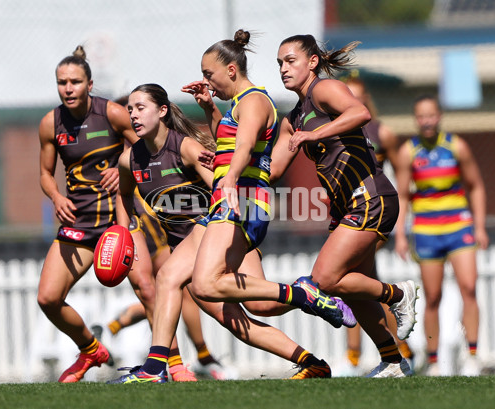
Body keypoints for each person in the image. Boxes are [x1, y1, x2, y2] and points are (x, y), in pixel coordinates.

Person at [108, 30, 352, 384]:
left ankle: (303, 293)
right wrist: (211, 111)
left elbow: (244, 145)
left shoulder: (253, 101)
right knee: (173, 278)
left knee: (207, 287)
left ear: (232, 70)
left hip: (244, 198)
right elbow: (228, 143)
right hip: (234, 198)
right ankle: (155, 368)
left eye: (210, 74)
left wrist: (230, 178)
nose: (207, 80)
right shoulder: (236, 106)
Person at [265, 34, 419, 378]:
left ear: (313, 62)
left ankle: (398, 294)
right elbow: (273, 170)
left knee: (325, 279)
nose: (283, 69)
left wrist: (315, 135)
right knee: (353, 286)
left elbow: (360, 112)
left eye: (290, 61)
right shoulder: (294, 116)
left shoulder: (323, 90)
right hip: (349, 207)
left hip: (372, 197)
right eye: (279, 63)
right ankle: (393, 360)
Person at [95, 96, 238, 380]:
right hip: (154, 236)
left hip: (187, 236)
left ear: (160, 113)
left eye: (139, 110)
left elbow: (216, 182)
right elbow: (124, 188)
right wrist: (123, 231)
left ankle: (192, 355)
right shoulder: (130, 160)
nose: (134, 117)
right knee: (163, 289)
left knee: (232, 305)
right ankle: (175, 363)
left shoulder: (171, 149)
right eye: (130, 112)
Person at [37, 45, 137, 383]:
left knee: (151, 292)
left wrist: (124, 166)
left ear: (89, 84)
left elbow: (147, 146)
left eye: (75, 82)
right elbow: (45, 174)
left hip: (118, 221)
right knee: (48, 298)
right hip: (78, 222)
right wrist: (55, 196)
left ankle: (174, 364)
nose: (68, 88)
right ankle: (91, 349)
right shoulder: (51, 123)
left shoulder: (111, 113)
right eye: (62, 82)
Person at [394, 94, 488, 376]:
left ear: (439, 116)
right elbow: (402, 196)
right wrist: (400, 234)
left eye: (431, 115)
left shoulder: (456, 147)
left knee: (469, 289)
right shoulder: (408, 152)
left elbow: (477, 186)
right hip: (426, 230)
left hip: (459, 227)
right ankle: (434, 361)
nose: (426, 121)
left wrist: (480, 226)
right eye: (421, 116)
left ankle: (471, 356)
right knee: (432, 296)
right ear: (416, 119)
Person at [338, 74, 415, 374]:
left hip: (374, 211)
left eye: (359, 98)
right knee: (360, 283)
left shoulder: (382, 133)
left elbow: (403, 174)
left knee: (350, 278)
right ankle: (399, 351)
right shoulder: (339, 132)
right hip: (349, 213)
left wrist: (403, 214)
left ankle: (358, 357)